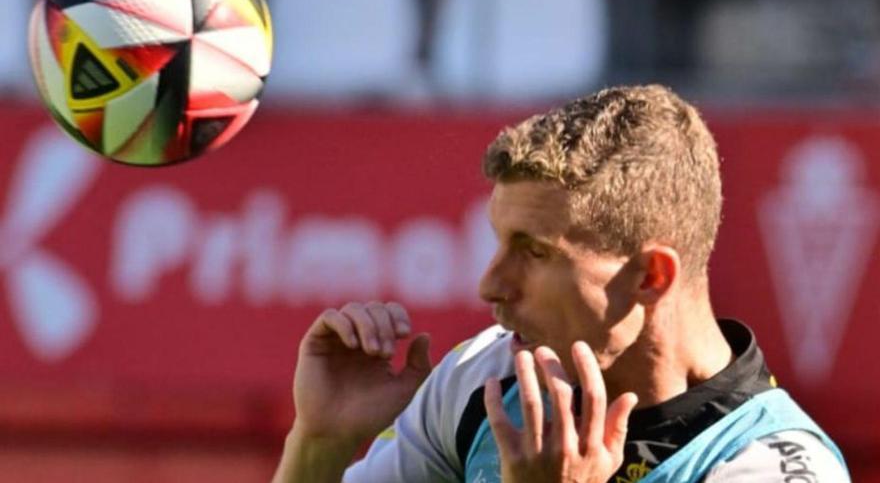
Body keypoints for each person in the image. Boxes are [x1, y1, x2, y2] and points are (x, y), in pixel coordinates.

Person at [272, 85, 851, 482]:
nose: (490, 285)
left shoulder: (770, 466)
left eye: (535, 251)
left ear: (651, 277)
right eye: (498, 242)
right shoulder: (483, 380)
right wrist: (319, 445)